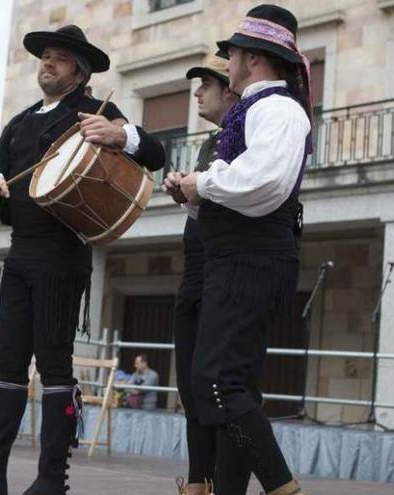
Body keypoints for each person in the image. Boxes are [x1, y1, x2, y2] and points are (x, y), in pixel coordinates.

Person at [0, 25, 166, 495]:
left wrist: (120, 134)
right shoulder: (19, 122)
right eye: (45, 56)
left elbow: (156, 153)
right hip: (20, 251)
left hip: (63, 254)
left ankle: (50, 481)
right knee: (7, 369)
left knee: (56, 368)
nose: (47, 63)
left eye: (59, 58)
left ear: (79, 73)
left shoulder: (94, 112)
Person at [175, 5, 314, 494]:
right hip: (236, 257)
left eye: (231, 53)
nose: (227, 62)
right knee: (223, 381)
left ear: (252, 58)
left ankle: (280, 486)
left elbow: (266, 182)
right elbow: (244, 185)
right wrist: (194, 192)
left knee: (217, 381)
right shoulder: (257, 110)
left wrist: (204, 182)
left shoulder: (278, 108)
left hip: (253, 258)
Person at [162, 57, 243, 495]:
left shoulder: (248, 135)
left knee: (219, 384)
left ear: (229, 89)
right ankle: (197, 481)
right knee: (192, 383)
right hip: (195, 266)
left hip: (226, 266)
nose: (197, 93)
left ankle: (221, 483)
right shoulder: (209, 142)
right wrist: (183, 190)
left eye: (205, 85)